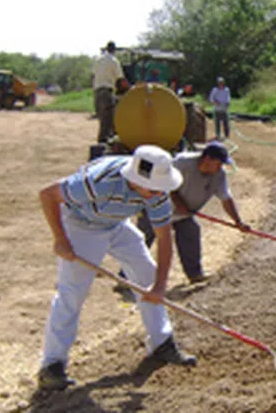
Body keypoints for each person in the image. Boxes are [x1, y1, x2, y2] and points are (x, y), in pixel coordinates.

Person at [36, 145, 197, 391]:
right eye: (152, 189)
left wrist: (159, 286)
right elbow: (48, 194)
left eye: (160, 189)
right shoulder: (98, 182)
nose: (157, 195)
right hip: (82, 225)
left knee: (146, 273)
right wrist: (60, 239)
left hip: (117, 224)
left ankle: (161, 343)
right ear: (135, 180)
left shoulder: (157, 192)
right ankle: (52, 365)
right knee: (73, 293)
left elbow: (164, 238)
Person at [137, 141, 249, 284]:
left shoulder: (219, 175)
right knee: (141, 239)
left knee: (191, 232)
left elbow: (226, 199)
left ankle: (195, 274)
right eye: (219, 163)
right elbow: (164, 184)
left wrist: (238, 222)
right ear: (207, 159)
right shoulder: (182, 162)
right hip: (156, 208)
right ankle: (126, 277)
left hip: (183, 215)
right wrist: (179, 203)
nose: (221, 167)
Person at [92, 41, 129, 143]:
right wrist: (130, 89)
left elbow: (93, 75)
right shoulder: (113, 61)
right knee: (108, 120)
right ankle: (103, 143)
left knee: (102, 119)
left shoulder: (98, 60)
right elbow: (121, 78)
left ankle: (103, 141)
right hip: (107, 91)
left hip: (97, 92)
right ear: (114, 50)